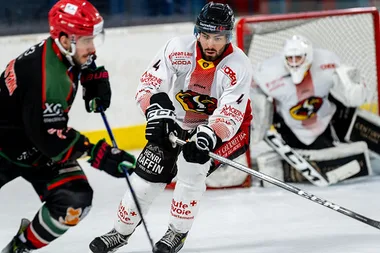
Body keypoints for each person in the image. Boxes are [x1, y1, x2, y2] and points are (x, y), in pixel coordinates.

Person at [89, 2, 252, 253]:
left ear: (228, 36)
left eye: (218, 37)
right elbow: (148, 86)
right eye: (205, 35)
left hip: (226, 128)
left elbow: (230, 113)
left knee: (192, 169)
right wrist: (156, 114)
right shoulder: (178, 48)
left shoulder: (238, 65)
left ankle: (177, 233)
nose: (210, 44)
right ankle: (119, 233)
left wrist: (208, 136)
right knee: (146, 178)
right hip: (176, 121)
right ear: (197, 31)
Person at [0, 0, 136, 252]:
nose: (92, 47)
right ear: (64, 39)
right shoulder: (48, 79)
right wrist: (100, 155)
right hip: (9, 149)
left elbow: (45, 136)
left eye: (93, 38)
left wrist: (90, 74)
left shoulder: (59, 52)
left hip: (33, 147)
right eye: (85, 40)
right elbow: (51, 140)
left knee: (74, 201)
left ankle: (19, 247)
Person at [250, 35, 372, 183]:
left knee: (328, 149)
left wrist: (353, 86)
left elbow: (348, 92)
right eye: (290, 58)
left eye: (298, 58)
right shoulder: (267, 71)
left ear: (308, 56)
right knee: (317, 153)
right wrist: (258, 117)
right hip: (289, 126)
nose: (294, 63)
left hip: (326, 119)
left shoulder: (327, 61)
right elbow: (253, 89)